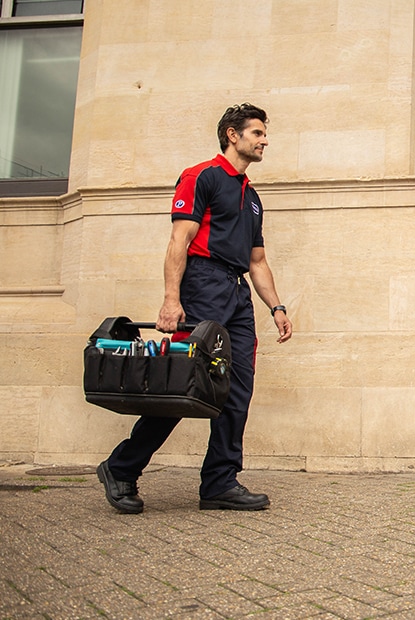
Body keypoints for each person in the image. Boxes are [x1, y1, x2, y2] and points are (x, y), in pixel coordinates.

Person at [96, 103, 292, 514]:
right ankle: (121, 467)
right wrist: (172, 298)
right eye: (257, 132)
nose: (265, 140)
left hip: (237, 292)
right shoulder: (201, 176)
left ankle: (220, 482)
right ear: (232, 135)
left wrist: (276, 306)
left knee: (237, 388)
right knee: (187, 385)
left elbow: (257, 260)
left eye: (264, 133)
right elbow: (178, 242)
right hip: (202, 284)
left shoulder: (252, 198)